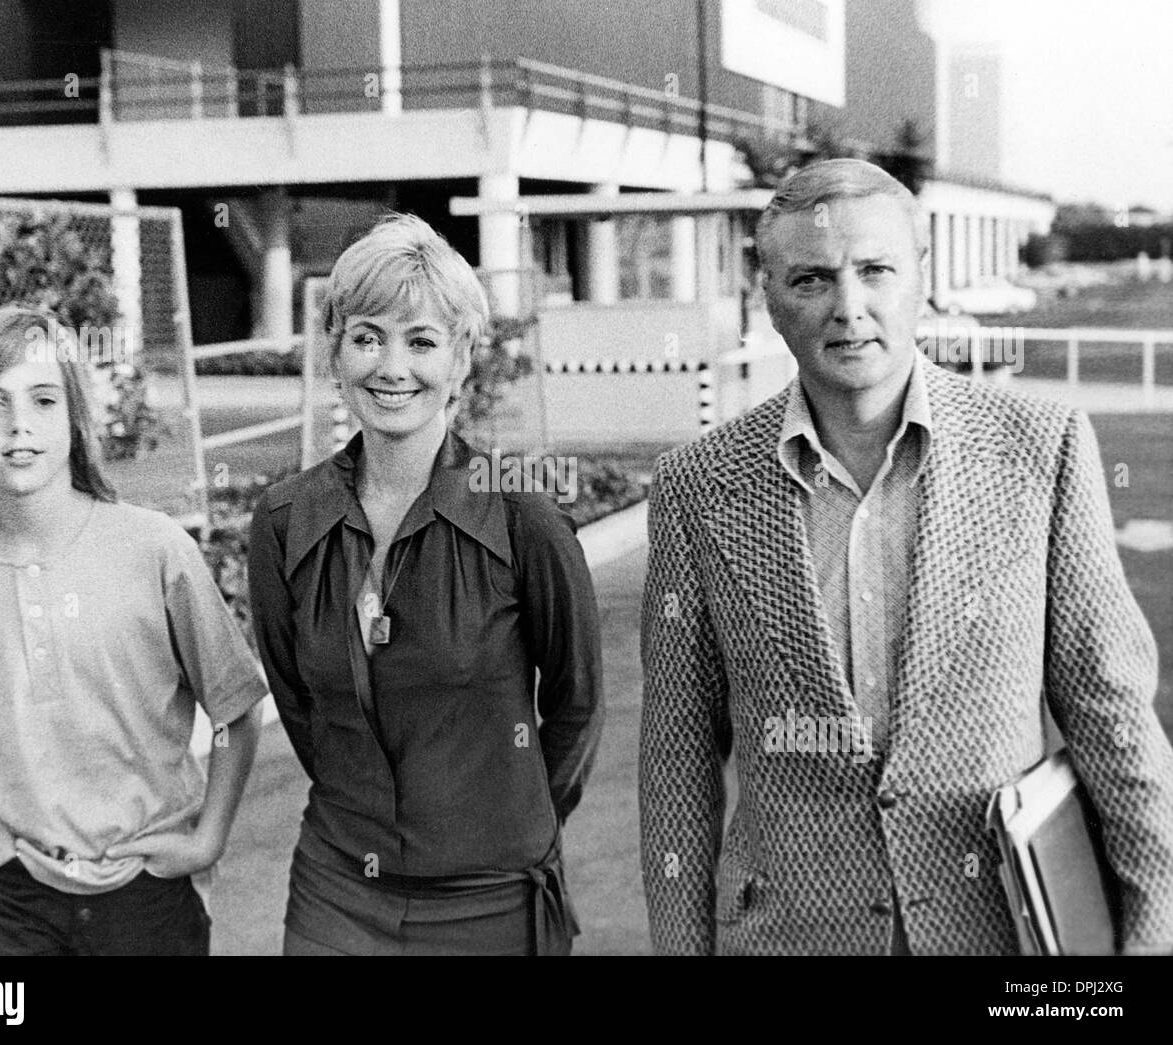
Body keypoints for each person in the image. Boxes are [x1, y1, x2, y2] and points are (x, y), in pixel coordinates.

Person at [638, 158, 1173, 956]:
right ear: (771, 300)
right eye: (812, 279)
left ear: (919, 280)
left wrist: (1154, 930)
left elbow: (1113, 714)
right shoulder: (698, 487)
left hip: (1001, 939)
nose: (849, 309)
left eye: (875, 271)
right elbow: (677, 763)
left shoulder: (1041, 450)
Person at [248, 213, 604, 956]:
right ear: (336, 350)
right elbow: (301, 707)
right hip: (338, 888)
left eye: (421, 340)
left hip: (491, 898)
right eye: (367, 335)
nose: (391, 366)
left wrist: (509, 828)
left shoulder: (522, 515)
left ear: (462, 359)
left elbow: (576, 706)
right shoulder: (285, 520)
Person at [0, 305, 265, 956]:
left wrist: (208, 837)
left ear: (74, 418)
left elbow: (237, 707)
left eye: (42, 399)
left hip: (146, 893)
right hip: (17, 896)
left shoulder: (154, 549)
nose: (19, 426)